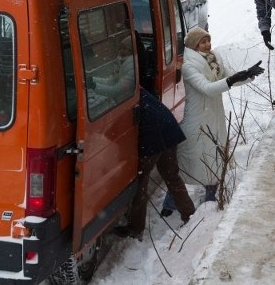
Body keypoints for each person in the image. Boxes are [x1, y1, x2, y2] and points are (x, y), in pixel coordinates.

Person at [161, 27, 264, 216]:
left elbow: (228, 76)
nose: (208, 44)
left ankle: (210, 197)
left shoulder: (213, 59)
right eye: (203, 42)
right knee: (189, 158)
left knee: (214, 155)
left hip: (214, 116)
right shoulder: (188, 65)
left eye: (208, 40)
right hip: (196, 118)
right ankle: (172, 201)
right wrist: (232, 80)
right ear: (194, 45)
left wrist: (247, 75)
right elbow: (206, 88)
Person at [113, 87, 196, 240]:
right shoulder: (135, 87)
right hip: (168, 129)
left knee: (140, 182)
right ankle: (190, 214)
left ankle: (135, 228)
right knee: (172, 176)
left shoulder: (123, 92)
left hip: (153, 138)